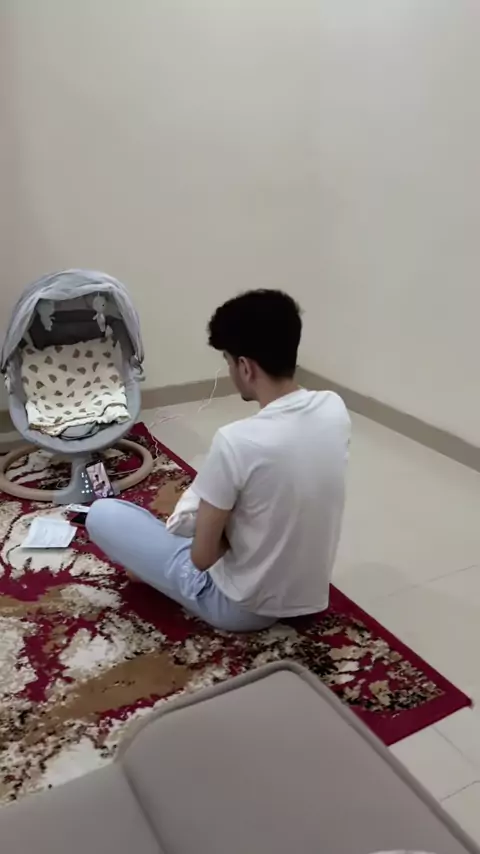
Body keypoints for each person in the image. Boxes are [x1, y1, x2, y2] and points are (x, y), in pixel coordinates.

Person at [87, 290, 351, 632]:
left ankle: (148, 568)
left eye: (228, 362)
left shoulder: (237, 440)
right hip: (305, 596)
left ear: (245, 366)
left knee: (103, 514)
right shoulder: (334, 408)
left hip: (239, 606)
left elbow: (202, 558)